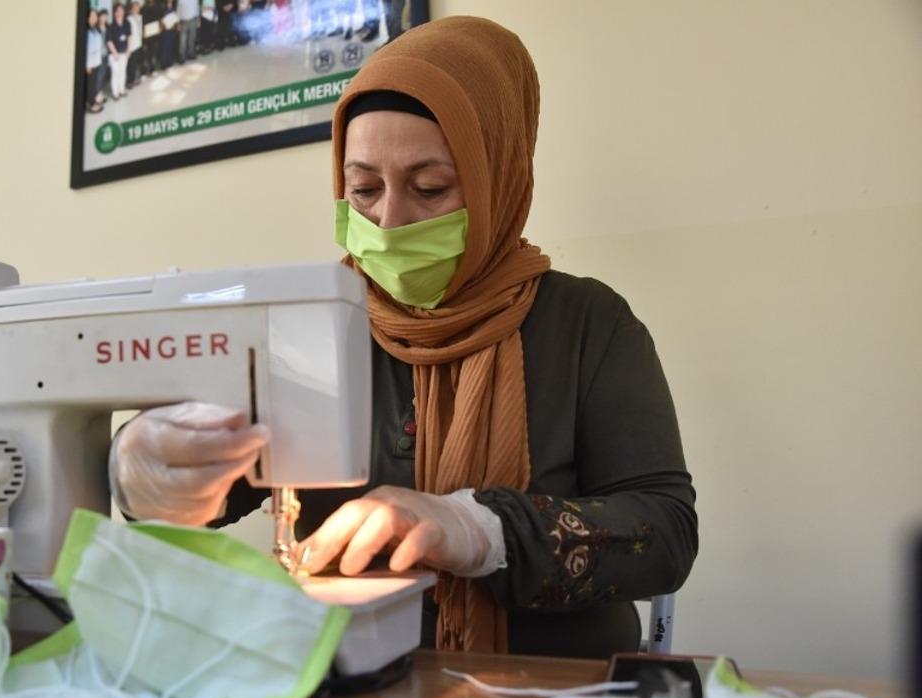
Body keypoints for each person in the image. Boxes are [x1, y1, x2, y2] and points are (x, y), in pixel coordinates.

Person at [108, 16, 697, 659]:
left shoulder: (587, 323)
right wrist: (147, 470)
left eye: (430, 188)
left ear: (495, 177)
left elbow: (664, 534)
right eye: (362, 190)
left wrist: (479, 526)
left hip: (552, 697)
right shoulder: (306, 326)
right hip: (345, 693)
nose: (389, 223)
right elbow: (203, 492)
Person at [106, 3, 131, 100]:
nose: (121, 12)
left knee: (123, 72)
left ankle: (121, 90)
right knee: (115, 73)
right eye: (118, 10)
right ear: (115, 13)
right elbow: (109, 41)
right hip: (114, 54)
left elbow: (129, 36)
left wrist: (129, 50)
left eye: (122, 10)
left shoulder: (127, 23)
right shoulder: (111, 26)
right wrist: (115, 53)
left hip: (124, 52)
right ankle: (115, 93)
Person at [84, 8, 107, 113]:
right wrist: (87, 65)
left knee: (93, 84)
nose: (94, 18)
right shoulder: (86, 30)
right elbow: (86, 50)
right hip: (90, 64)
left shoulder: (95, 29)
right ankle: (91, 105)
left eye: (95, 16)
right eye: (91, 16)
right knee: (90, 85)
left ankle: (94, 100)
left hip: (97, 61)